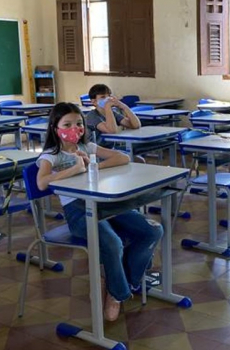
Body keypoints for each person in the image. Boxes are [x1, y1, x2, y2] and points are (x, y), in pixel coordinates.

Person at [36, 102, 162, 322]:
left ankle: (124, 279)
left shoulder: (88, 147)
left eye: (78, 123)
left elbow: (122, 158)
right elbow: (42, 183)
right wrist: (74, 169)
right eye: (67, 124)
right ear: (55, 128)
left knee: (153, 230)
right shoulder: (50, 155)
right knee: (112, 243)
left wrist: (93, 166)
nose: (74, 128)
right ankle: (117, 294)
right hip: (78, 211)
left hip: (103, 203)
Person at [85, 84, 141, 148]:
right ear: (94, 101)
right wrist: (108, 107)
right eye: (103, 97)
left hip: (112, 148)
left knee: (138, 158)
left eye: (109, 96)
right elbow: (111, 131)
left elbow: (136, 125)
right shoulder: (92, 116)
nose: (107, 99)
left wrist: (124, 107)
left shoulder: (113, 113)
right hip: (97, 152)